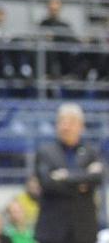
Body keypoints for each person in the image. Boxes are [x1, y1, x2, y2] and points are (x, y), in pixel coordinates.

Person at [33, 103, 103, 243]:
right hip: (52, 231)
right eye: (62, 122)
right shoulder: (45, 152)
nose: (66, 127)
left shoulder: (91, 151)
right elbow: (47, 183)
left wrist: (65, 176)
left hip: (84, 231)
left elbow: (98, 177)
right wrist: (83, 180)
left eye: (71, 122)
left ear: (81, 126)